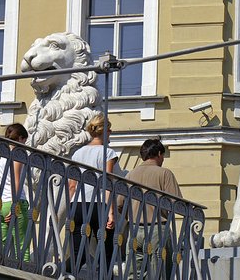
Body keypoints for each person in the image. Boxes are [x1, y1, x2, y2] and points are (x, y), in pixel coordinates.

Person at [123, 139, 182, 280]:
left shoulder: (130, 175)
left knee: (133, 275)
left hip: (135, 230)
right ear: (159, 154)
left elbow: (120, 203)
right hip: (158, 230)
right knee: (159, 274)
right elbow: (177, 203)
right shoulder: (164, 174)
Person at [67, 113, 118, 271]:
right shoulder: (108, 153)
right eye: (109, 129)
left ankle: (65, 274)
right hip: (99, 204)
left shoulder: (78, 153)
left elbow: (72, 185)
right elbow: (106, 183)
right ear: (104, 131)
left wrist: (71, 209)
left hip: (78, 204)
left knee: (78, 251)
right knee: (106, 250)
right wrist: (110, 212)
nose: (111, 133)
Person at [0, 123, 30, 261]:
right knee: (22, 248)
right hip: (14, 203)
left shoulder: (0, 156)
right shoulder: (17, 155)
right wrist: (15, 206)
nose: (25, 144)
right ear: (20, 138)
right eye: (25, 140)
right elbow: (16, 183)